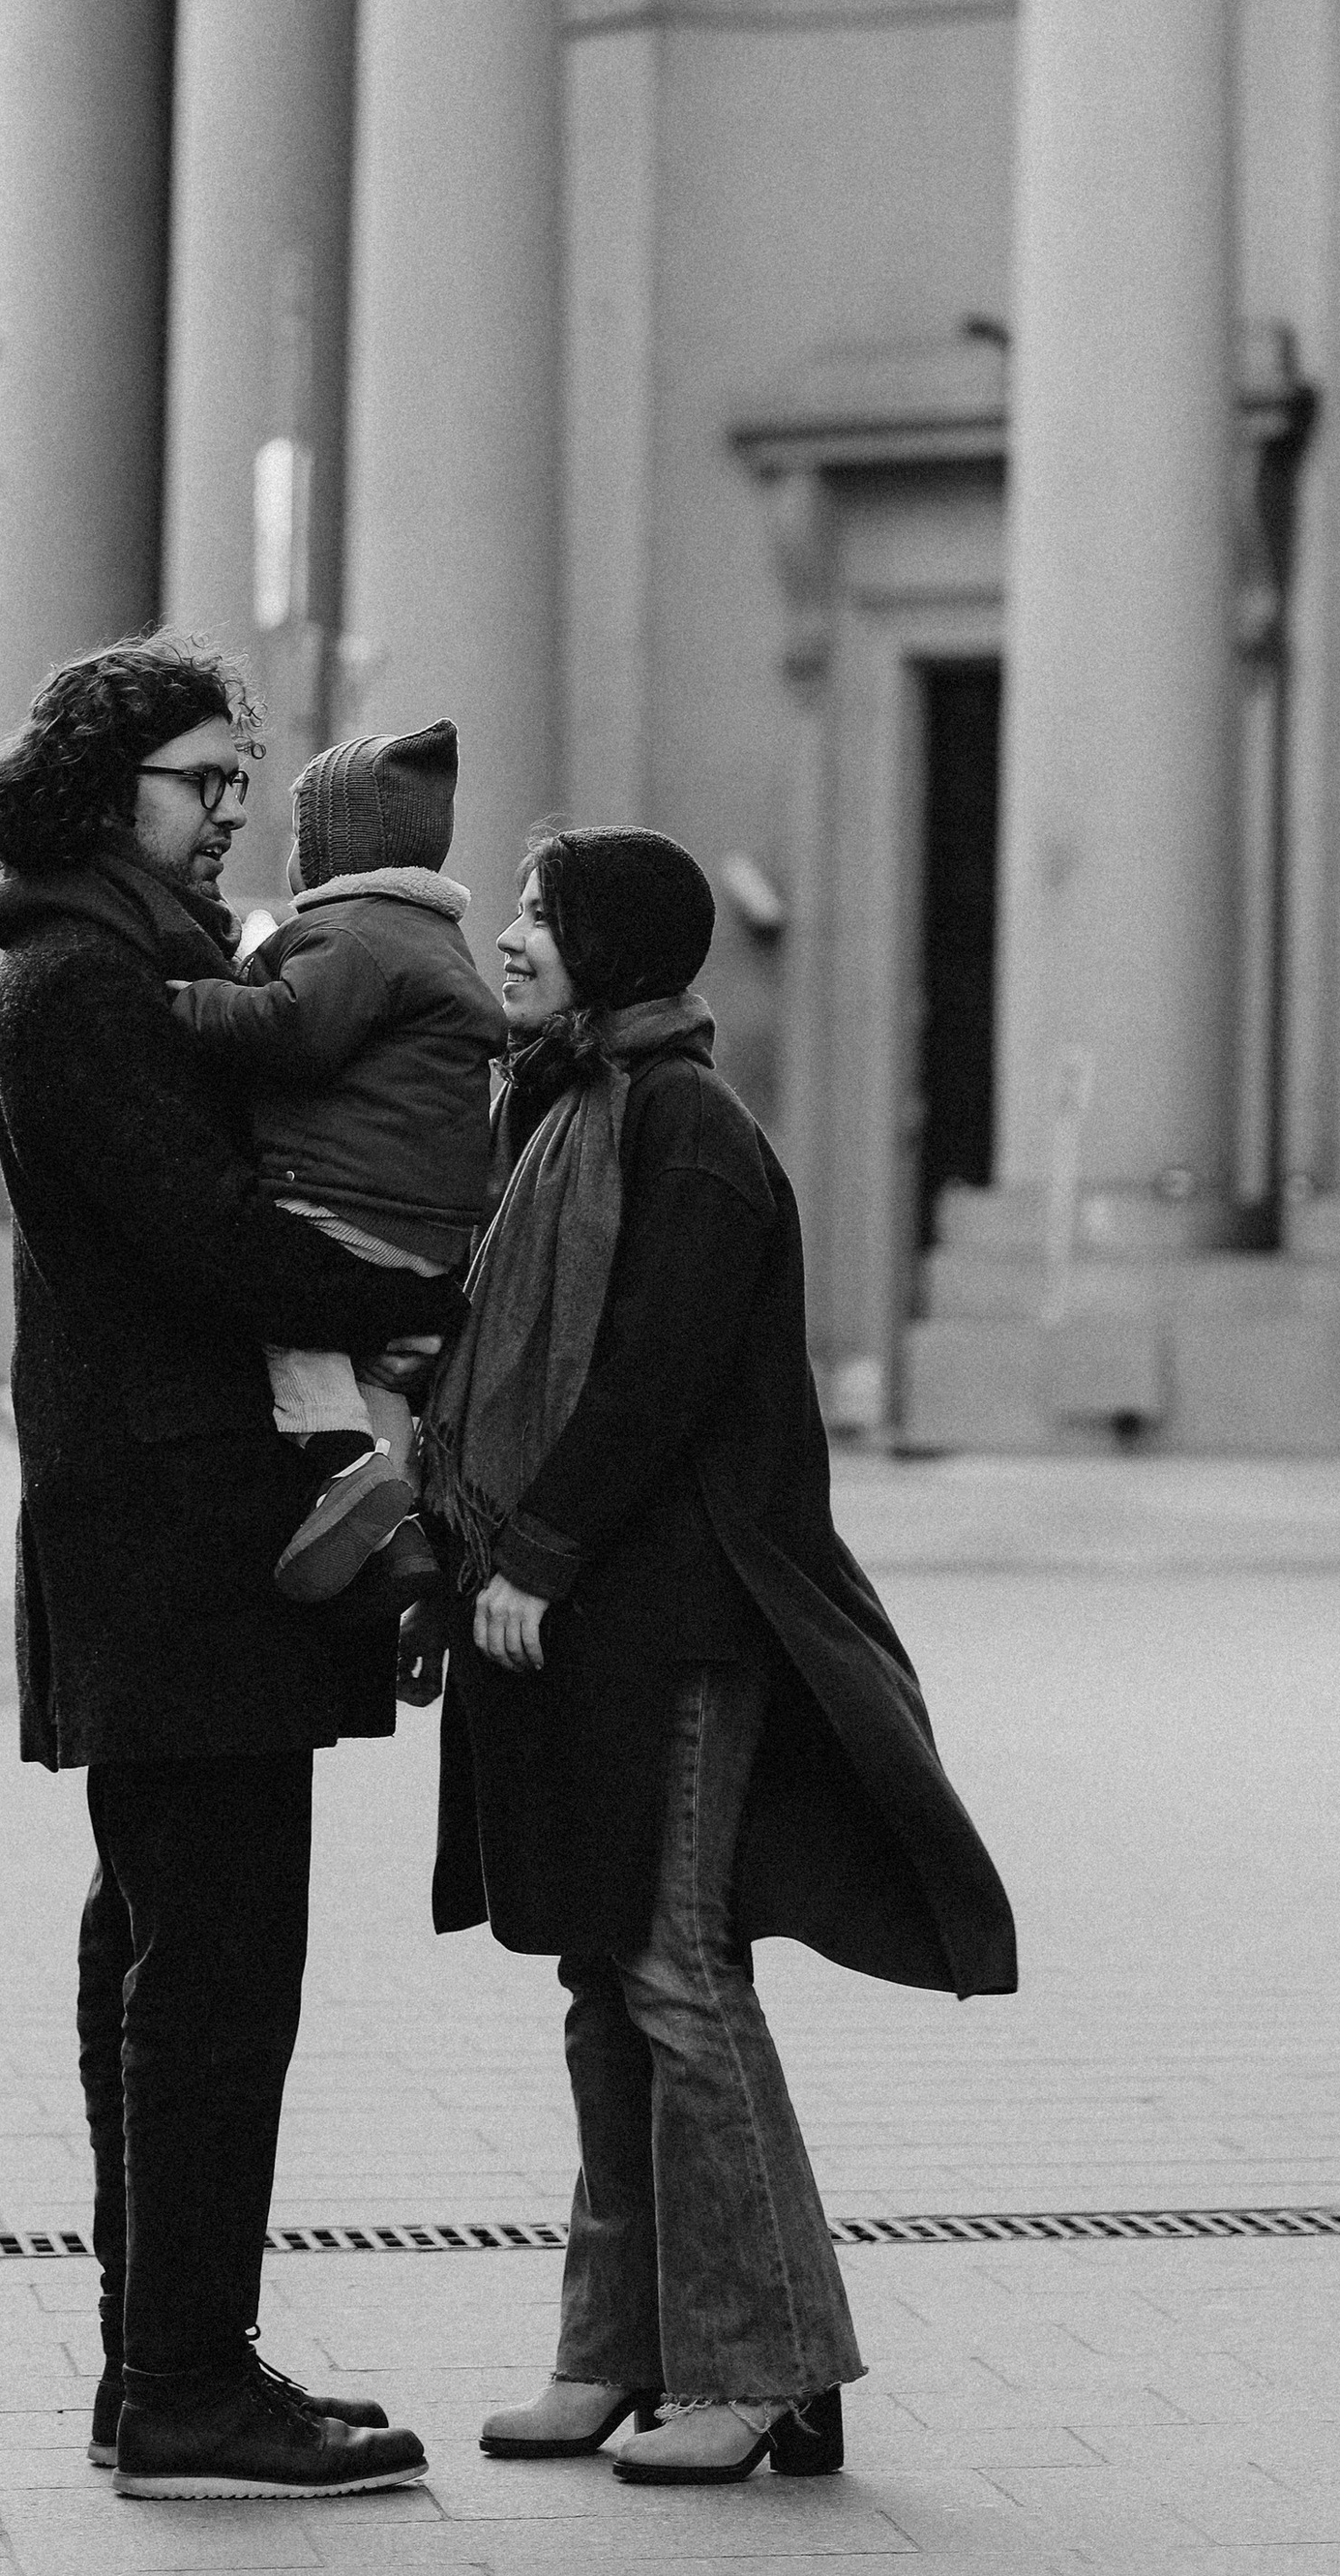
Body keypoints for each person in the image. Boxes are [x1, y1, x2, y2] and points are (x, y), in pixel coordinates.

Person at [427, 824, 1017, 2490]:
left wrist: (537, 1551)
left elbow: (653, 1381)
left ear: (617, 946)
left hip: (673, 1619)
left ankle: (761, 2367)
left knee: (679, 1975)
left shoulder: (684, 1133)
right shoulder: (553, 1109)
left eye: (547, 913)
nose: (519, 933)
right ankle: (621, 2351)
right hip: (568, 1622)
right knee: (603, 1978)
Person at [0, 636, 459, 2505]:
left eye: (243, 783)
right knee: (213, 1972)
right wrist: (415, 1302)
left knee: (169, 1958)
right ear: (108, 792)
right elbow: (200, 1238)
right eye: (202, 783)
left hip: (178, 1524)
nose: (234, 813)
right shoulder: (81, 985)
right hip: (174, 1534)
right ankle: (184, 2381)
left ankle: (165, 2367)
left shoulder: (138, 970)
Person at [166, 719, 504, 1613]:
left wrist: (194, 1001)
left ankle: (341, 1473)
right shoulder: (435, 938)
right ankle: (401, 1540)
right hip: (429, 1228)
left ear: (326, 850)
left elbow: (294, 1031)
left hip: (345, 1204)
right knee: (376, 1374)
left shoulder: (351, 934)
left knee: (296, 1325)